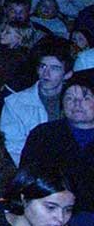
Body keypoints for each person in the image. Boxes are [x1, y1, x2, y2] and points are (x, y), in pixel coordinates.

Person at [20, 74, 94, 219]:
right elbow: (28, 178)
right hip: (52, 212)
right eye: (69, 98)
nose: (77, 103)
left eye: (86, 98)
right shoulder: (43, 135)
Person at [0, 37, 74, 164]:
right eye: (43, 66)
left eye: (55, 68)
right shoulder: (15, 103)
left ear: (67, 74)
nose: (46, 73)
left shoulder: (79, 102)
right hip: (34, 170)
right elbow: (12, 148)